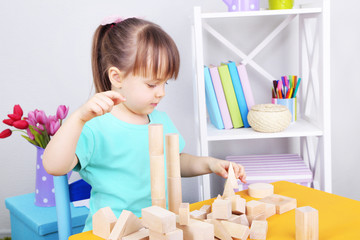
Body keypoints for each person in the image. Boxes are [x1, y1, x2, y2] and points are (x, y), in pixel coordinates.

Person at [43, 16, 246, 231]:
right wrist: (78, 118)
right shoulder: (94, 126)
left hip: (160, 228)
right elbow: (54, 166)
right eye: (152, 84)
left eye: (165, 83)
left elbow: (175, 162)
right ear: (117, 77)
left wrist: (210, 164)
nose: (162, 93)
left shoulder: (159, 120)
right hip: (113, 233)